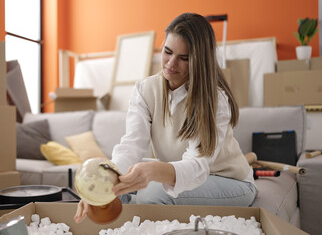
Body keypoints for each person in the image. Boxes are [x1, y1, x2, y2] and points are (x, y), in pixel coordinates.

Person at [74, 12, 256, 223]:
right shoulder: (145, 90)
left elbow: (197, 166)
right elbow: (131, 145)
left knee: (153, 194)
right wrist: (101, 186)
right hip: (184, 177)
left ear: (199, 61)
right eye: (167, 52)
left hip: (229, 182)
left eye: (184, 58)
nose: (171, 63)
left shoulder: (215, 100)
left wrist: (153, 171)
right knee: (118, 187)